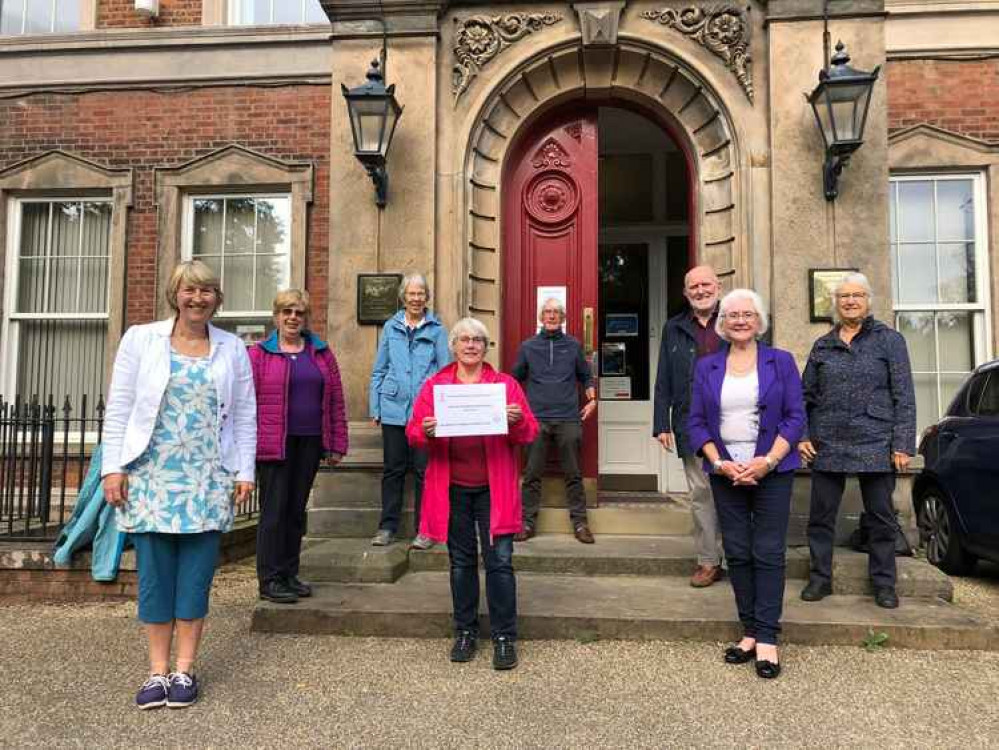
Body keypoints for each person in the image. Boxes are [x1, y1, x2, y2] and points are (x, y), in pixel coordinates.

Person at [102, 260, 256, 709]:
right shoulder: (141, 339)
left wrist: (244, 471)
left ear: (217, 298)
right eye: (189, 290)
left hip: (207, 478)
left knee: (195, 578)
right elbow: (121, 407)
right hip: (150, 477)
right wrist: (114, 467)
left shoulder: (231, 348)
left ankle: (184, 669)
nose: (198, 298)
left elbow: (245, 415)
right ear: (176, 294)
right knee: (154, 578)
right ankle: (156, 672)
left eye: (207, 291)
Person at [406, 318, 539, 670]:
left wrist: (517, 422)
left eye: (477, 340)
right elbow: (413, 433)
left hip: (494, 490)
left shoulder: (505, 385)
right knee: (461, 564)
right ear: (453, 346)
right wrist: (426, 430)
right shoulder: (436, 386)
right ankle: (465, 631)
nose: (470, 345)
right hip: (452, 489)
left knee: (500, 563)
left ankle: (504, 637)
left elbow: (529, 432)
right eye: (464, 340)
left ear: (485, 347)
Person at [687, 288, 805, 680]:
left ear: (759, 321)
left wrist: (767, 461)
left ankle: (769, 636)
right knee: (737, 551)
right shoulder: (707, 366)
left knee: (768, 551)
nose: (740, 320)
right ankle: (750, 631)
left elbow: (795, 416)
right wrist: (719, 463)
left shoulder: (781, 361)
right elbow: (697, 422)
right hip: (726, 473)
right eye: (732, 315)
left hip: (771, 469)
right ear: (722, 323)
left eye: (747, 314)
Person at [799, 272, 916, 609]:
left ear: (868, 300)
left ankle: (883, 584)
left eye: (857, 295)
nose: (850, 301)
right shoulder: (822, 345)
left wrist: (903, 443)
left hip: (876, 440)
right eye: (844, 296)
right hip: (828, 441)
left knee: (881, 518)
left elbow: (904, 395)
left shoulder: (890, 341)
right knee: (821, 517)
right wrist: (803, 435)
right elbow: (805, 396)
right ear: (835, 303)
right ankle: (820, 579)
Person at [249, 289, 349, 604]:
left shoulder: (321, 352)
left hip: (309, 443)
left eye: (299, 312)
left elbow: (335, 400)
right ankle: (270, 579)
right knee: (274, 512)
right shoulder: (259, 355)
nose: (293, 317)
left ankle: (289, 574)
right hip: (274, 444)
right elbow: (244, 404)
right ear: (276, 316)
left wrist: (336, 444)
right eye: (287, 311)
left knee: (295, 512)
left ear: (306, 318)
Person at [653, 265, 727, 587]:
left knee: (737, 491)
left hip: (735, 423)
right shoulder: (674, 327)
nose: (700, 290)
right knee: (701, 494)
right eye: (693, 286)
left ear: (718, 287)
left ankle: (738, 557)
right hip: (690, 423)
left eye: (706, 284)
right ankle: (708, 560)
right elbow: (664, 378)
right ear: (685, 294)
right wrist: (661, 423)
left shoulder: (737, 318)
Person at [369, 272, 451, 549]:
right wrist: (375, 406)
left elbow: (445, 373)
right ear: (403, 297)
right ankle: (387, 527)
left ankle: (424, 530)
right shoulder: (390, 328)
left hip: (426, 413)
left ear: (427, 298)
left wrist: (443, 411)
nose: (416, 299)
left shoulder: (437, 330)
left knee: (424, 471)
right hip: (393, 409)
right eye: (411, 294)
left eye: (421, 294)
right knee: (393, 469)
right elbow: (379, 370)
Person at [512, 299, 597, 544]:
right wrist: (512, 405)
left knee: (573, 474)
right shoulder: (528, 347)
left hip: (568, 418)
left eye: (556, 313)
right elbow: (514, 379)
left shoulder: (573, 346)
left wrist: (592, 400)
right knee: (531, 474)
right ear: (541, 317)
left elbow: (585, 377)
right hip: (536, 419)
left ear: (563, 317)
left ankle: (580, 523)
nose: (551, 316)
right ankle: (527, 523)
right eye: (547, 312)